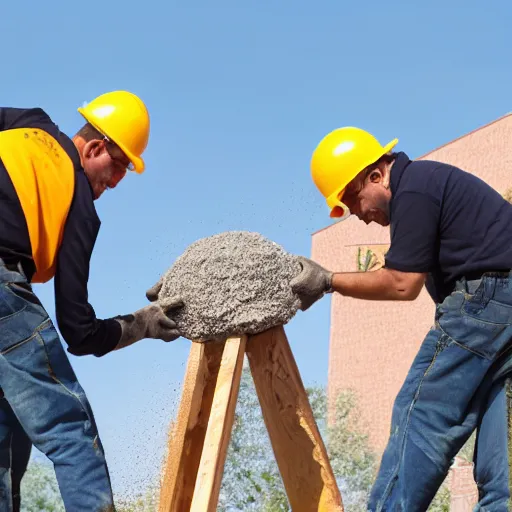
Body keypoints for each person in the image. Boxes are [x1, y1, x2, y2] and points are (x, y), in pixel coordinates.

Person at [290, 126, 512, 511]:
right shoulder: (427, 185)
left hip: (487, 299)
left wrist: (327, 281)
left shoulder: (414, 190)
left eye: (354, 200)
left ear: (376, 175)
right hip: (503, 307)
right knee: (487, 405)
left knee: (420, 410)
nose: (357, 215)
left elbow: (401, 284)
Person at [0, 91, 183, 511]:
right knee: (69, 430)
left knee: (4, 442)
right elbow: (78, 332)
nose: (116, 181)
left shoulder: (29, 121)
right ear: (95, 147)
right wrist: (142, 324)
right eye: (117, 165)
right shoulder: (79, 202)